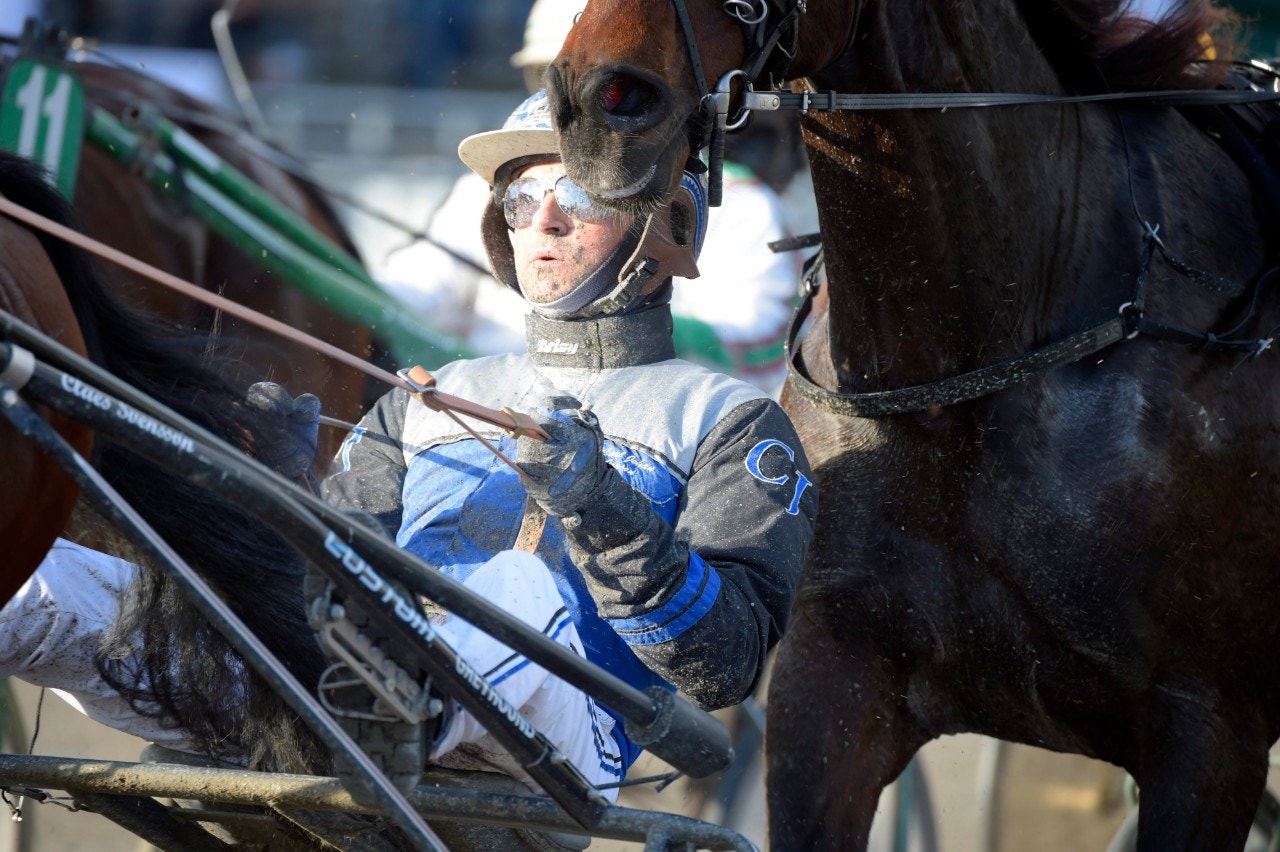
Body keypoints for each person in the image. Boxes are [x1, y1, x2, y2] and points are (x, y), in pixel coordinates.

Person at [317, 88, 817, 800]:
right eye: (521, 198)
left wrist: (599, 506)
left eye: (577, 193)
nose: (544, 218)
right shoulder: (427, 395)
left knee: (515, 585)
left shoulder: (730, 420)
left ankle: (393, 708)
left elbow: (726, 665)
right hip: (366, 693)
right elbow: (333, 567)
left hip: (560, 749)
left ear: (660, 224)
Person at [378, 0, 809, 394]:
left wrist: (622, 332)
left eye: (603, 90)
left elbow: (763, 347)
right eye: (551, 82)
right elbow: (410, 302)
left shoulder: (733, 202)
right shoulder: (482, 189)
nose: (563, 110)